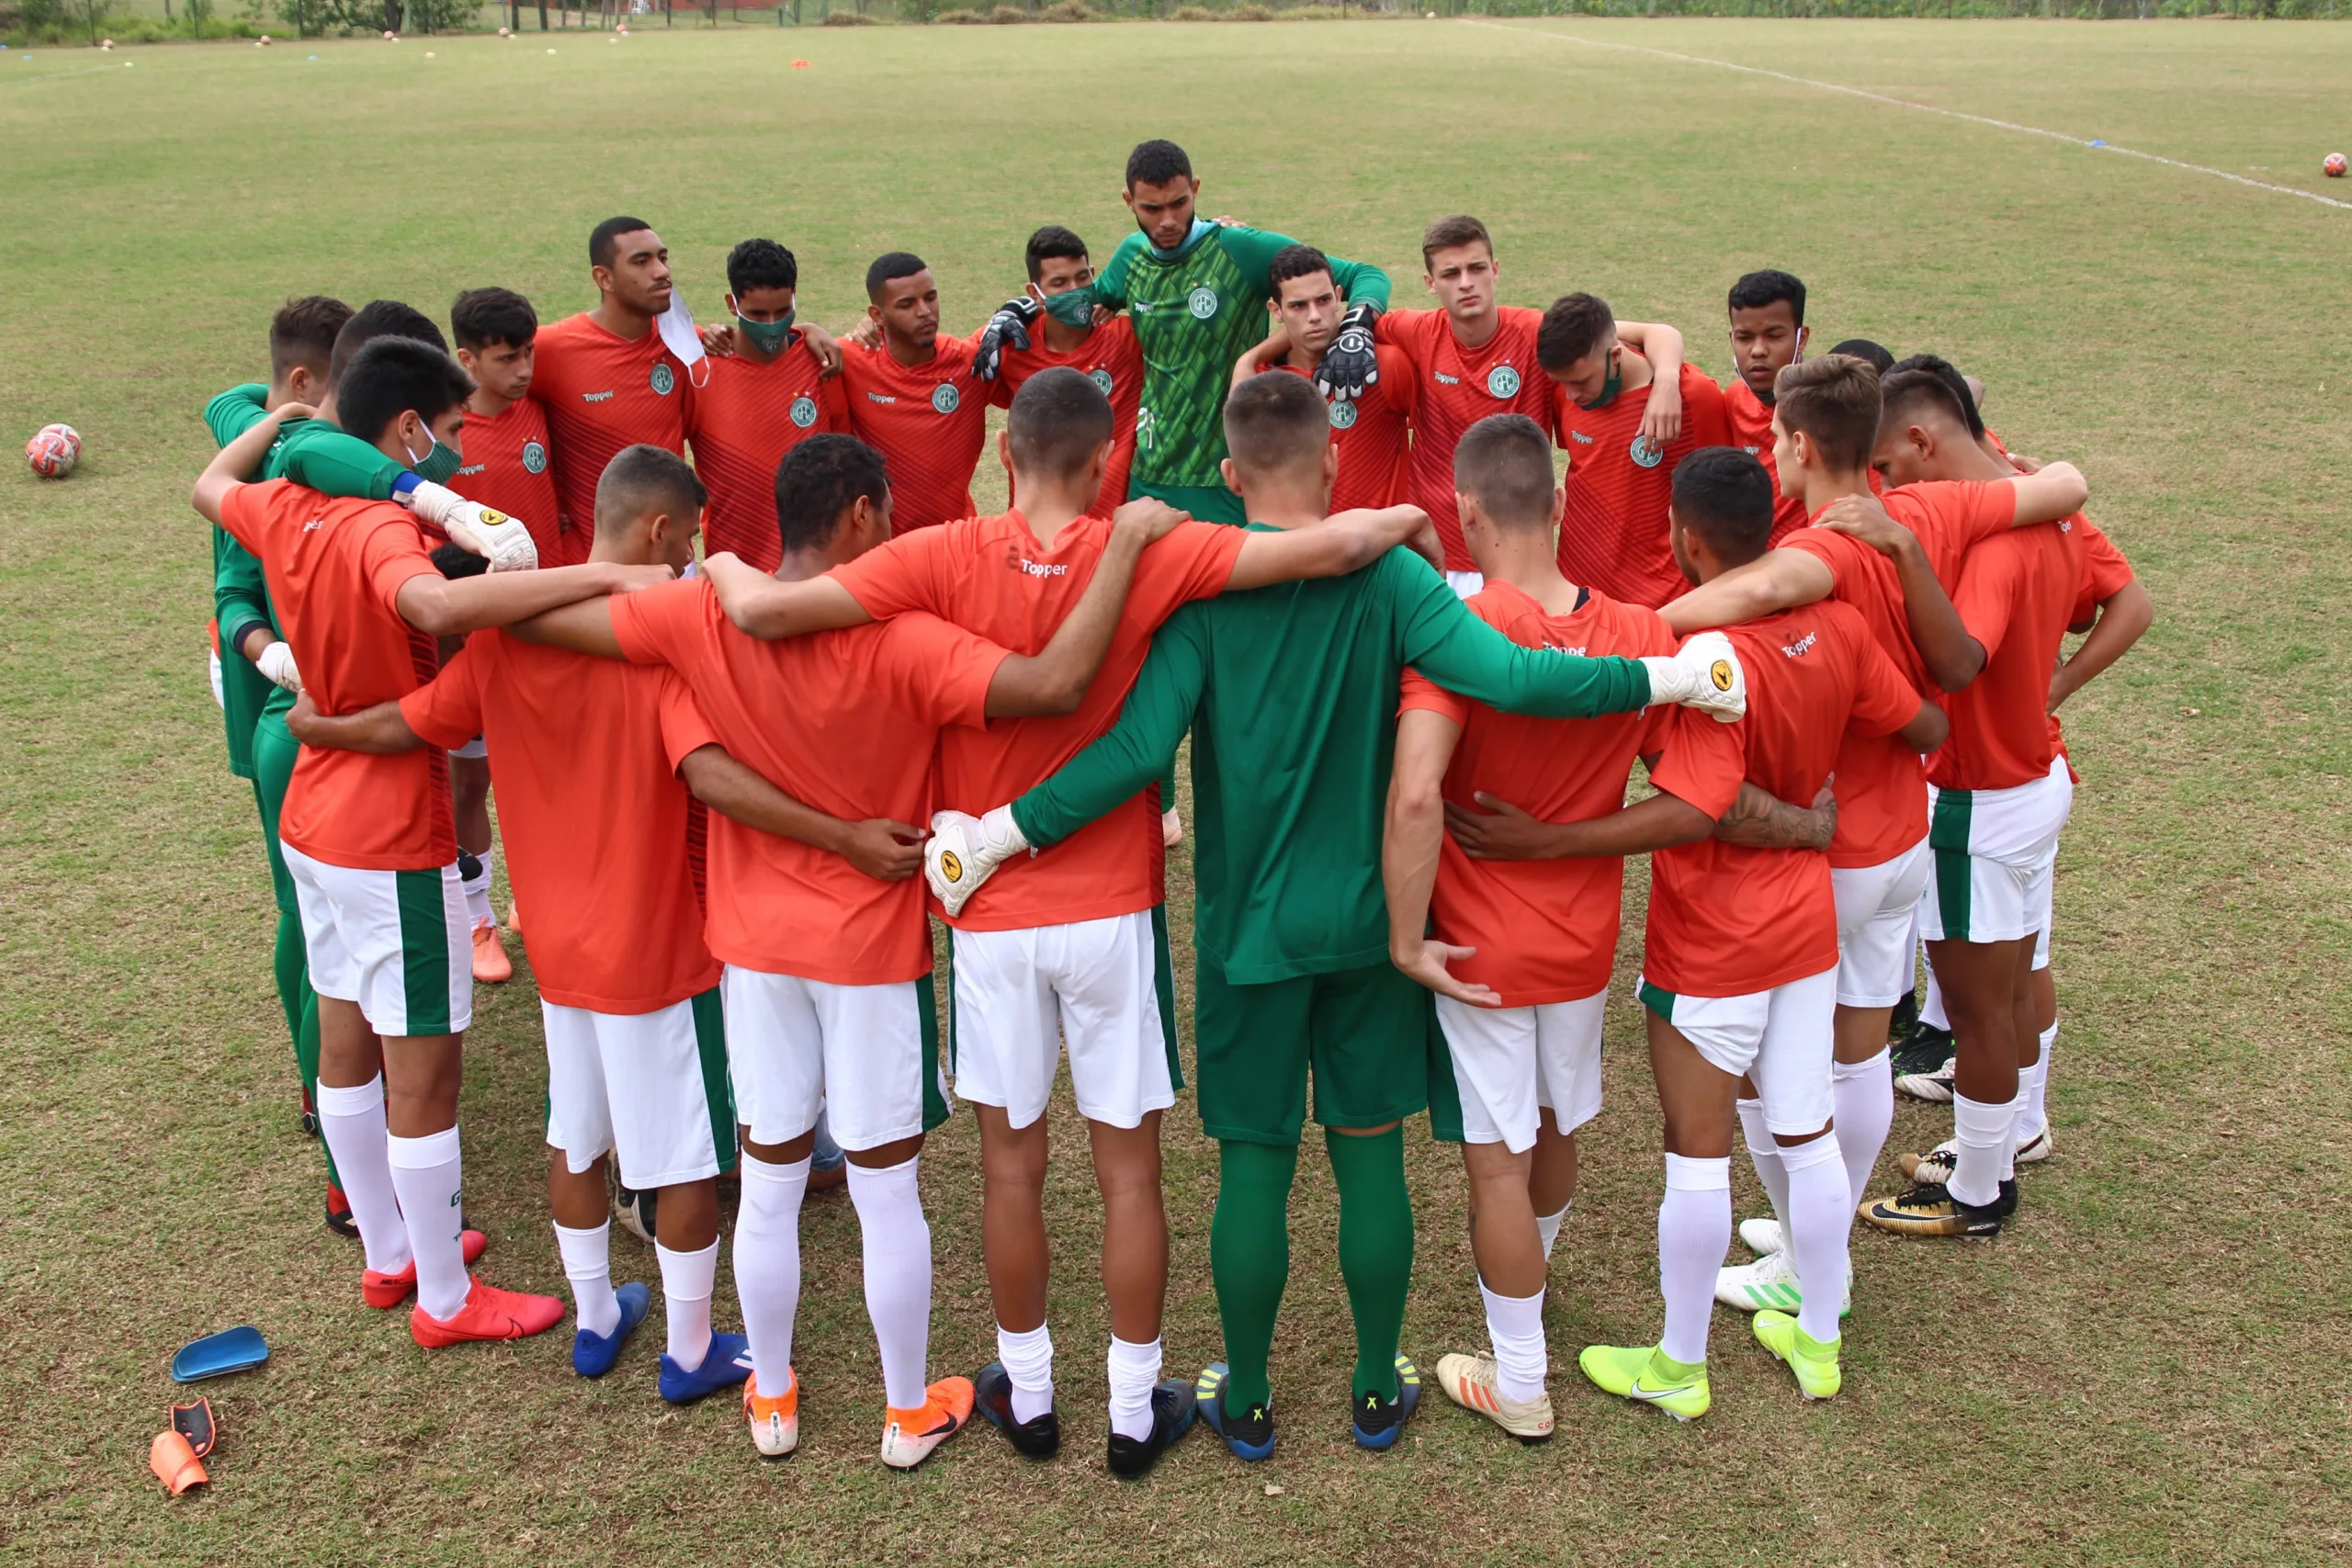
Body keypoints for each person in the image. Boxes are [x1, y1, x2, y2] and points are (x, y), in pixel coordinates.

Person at [923, 373, 1749, 1462]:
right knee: (1369, 1159)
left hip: (1247, 938)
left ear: (1228, 478)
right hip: (1370, 929)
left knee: (1254, 1165)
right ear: (1331, 468)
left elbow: (1130, 758)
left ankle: (1250, 1396)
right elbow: (1517, 676)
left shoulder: (1203, 601)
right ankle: (1373, 1385)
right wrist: (1671, 677)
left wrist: (998, 834)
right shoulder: (1397, 582)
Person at [700, 369, 1434, 1477]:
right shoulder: (1150, 545)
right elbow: (1329, 550)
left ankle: (1030, 1393)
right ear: (1104, 464)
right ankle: (1136, 1409)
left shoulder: (936, 552)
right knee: (1128, 1172)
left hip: (988, 912)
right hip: (1110, 911)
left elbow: (762, 609)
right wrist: (1405, 514)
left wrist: (708, 558)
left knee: (1010, 1168)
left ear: (1005, 453)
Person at [515, 431, 1178, 1468]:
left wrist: (662, 572)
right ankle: (907, 1413)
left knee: (769, 1177)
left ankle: (772, 1401)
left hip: (752, 945)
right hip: (871, 947)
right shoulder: (908, 638)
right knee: (882, 1186)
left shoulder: (696, 616)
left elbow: (556, 623)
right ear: (864, 516)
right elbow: (1049, 684)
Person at [191, 336, 673, 1347]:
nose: (457, 452)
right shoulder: (378, 530)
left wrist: (286, 430)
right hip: (390, 831)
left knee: (343, 1039)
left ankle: (389, 1257)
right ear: (409, 429)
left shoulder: (284, 505)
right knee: (424, 1071)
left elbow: (210, 483)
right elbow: (437, 604)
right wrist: (607, 582)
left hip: (314, 814)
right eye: (450, 433)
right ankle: (447, 1305)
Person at [1380, 414, 1833, 1442]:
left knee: (1495, 1155)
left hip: (1475, 949)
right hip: (1582, 944)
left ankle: (1522, 1376)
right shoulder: (1640, 630)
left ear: (1466, 511)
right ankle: (1527, 1285)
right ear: (1560, 504)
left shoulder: (1457, 626)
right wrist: (1571, 839)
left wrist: (1409, 937)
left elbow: (1415, 798)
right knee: (1557, 1126)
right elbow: (1700, 796)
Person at [282, 446, 754, 1402]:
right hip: (659, 946)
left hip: (559, 948)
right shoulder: (663, 648)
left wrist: (319, 727)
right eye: (694, 533)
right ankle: (694, 1348)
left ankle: (593, 1317)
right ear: (661, 531)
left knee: (574, 1136)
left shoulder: (500, 642)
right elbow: (711, 767)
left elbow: (411, 725)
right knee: (683, 1155)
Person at [1655, 356, 2087, 1304]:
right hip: (1905, 833)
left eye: (1774, 439)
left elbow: (1758, 594)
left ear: (1802, 446)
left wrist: (1634, 629)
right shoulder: (1924, 512)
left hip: (1836, 845)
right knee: (1856, 1053)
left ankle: (1811, 1267)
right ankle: (1821, 1236)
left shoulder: (1824, 550)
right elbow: (2063, 484)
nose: (1771, 452)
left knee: (1784, 1079)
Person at [1561, 447, 1946, 1418]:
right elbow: (1926, 728)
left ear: (1686, 542)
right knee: (1805, 1132)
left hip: (1710, 939)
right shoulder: (1844, 627)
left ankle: (1678, 1368)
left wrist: (1544, 837)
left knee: (1696, 1151)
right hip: (1806, 924)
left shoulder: (1700, 661)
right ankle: (1817, 1340)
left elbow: (1706, 806)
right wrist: (1818, 808)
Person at [1847, 370, 2089, 1240]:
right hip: (2033, 781)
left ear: (1921, 441)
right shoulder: (2049, 509)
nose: (1890, 491)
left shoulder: (1994, 540)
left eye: (1888, 466)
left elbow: (1961, 661)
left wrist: (1907, 556)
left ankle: (1979, 1192)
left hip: (1976, 801)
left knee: (1978, 1007)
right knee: (2016, 980)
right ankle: (2006, 1135)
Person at [978, 138, 1391, 528]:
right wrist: (1015, 309)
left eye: (1179, 203)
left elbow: (1363, 275)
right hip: (1151, 476)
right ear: (1129, 203)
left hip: (1230, 474)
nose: (1169, 220)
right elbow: (1077, 301)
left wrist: (1356, 326)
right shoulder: (1131, 257)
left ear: (1195, 189)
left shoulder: (1238, 248)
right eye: (1152, 209)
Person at [201, 293, 353, 1235]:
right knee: (314, 916)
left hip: (282, 706)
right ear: (303, 386)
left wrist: (267, 415)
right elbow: (235, 596)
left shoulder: (248, 421)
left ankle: (317, 1089)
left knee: (300, 904)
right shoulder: (271, 477)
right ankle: (332, 1117)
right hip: (284, 709)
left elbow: (226, 399)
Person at [445, 286, 563, 981]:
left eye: (528, 354)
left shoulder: (538, 413)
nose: (522, 369)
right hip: (475, 643)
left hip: (544, 632)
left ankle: (533, 899)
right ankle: (477, 918)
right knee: (469, 784)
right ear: (466, 358)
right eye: (505, 357)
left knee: (545, 773)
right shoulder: (445, 440)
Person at [1366, 215, 1561, 592]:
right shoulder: (1417, 330)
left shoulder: (1536, 332)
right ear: (1430, 284)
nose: (1466, 283)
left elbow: (1614, 335)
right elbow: (1337, 322)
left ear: (1496, 270)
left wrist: (1667, 374)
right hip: (1433, 555)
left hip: (1519, 557)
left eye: (1476, 268)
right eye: (1451, 274)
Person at [1537, 293, 1732, 609]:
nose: (1571, 396)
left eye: (1582, 382)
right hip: (1580, 593)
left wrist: (1666, 382)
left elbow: (1719, 502)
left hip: (1661, 600)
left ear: (1616, 355)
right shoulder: (1569, 383)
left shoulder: (1693, 399)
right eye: (1562, 383)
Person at [528, 218, 697, 565]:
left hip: (674, 563)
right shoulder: (552, 349)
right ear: (603, 278)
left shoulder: (682, 342)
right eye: (641, 261)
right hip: (593, 566)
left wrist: (805, 331)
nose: (661, 272)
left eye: (663, 258)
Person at [687, 239, 847, 572]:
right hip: (737, 573)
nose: (773, 323)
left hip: (818, 569)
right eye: (758, 314)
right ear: (732, 304)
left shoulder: (822, 362)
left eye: (782, 311)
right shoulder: (701, 374)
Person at [1230, 244, 1414, 514]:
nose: (1314, 316)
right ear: (1276, 310)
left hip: (1382, 548)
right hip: (1306, 549)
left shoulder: (1384, 366)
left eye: (1323, 300)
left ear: (1339, 297)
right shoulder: (1262, 385)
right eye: (1298, 306)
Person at [836, 253, 995, 536]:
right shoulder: (848, 360)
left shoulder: (970, 361)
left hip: (953, 542)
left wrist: (1029, 309)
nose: (924, 311)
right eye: (907, 304)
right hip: (879, 549)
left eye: (930, 297)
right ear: (876, 315)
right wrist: (808, 330)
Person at [995, 225, 1145, 522]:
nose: (1075, 291)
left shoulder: (1128, 339)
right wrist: (873, 330)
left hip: (1108, 533)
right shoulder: (1011, 347)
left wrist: (1215, 229)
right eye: (1059, 283)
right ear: (1035, 293)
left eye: (1082, 277)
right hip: (1036, 537)